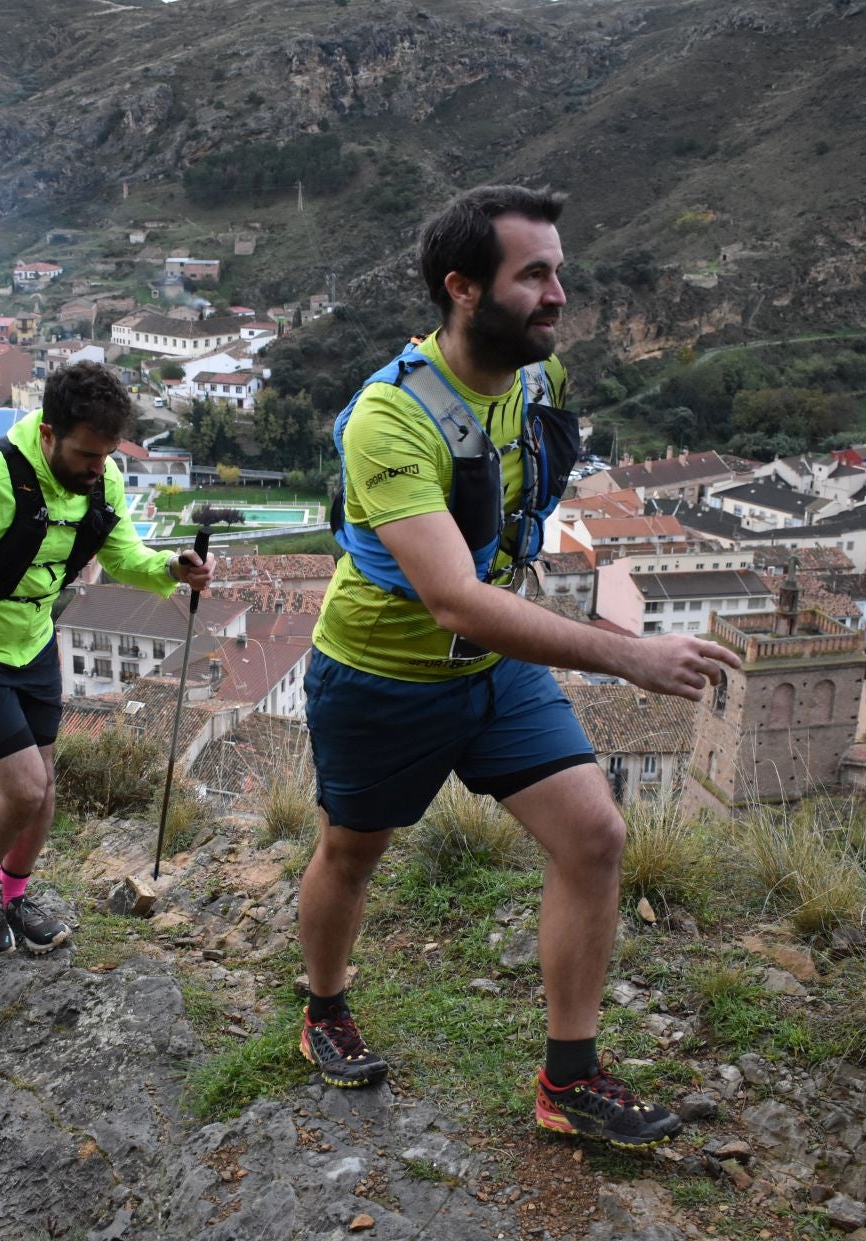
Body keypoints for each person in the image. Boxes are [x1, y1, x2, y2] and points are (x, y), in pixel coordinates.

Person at [299, 186, 739, 1147]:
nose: (558, 295)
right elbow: (453, 596)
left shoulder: (541, 387)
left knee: (594, 836)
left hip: (495, 671)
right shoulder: (391, 421)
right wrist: (628, 656)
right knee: (352, 852)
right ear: (463, 288)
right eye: (533, 275)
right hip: (383, 676)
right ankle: (324, 1007)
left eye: (559, 272)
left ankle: (569, 1081)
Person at [0, 361, 213, 957]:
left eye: (108, 454)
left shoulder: (101, 477)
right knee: (25, 789)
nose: (100, 469)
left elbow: (120, 555)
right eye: (88, 455)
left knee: (45, 790)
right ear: (47, 434)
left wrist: (169, 567)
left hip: (36, 644)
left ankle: (15, 894)